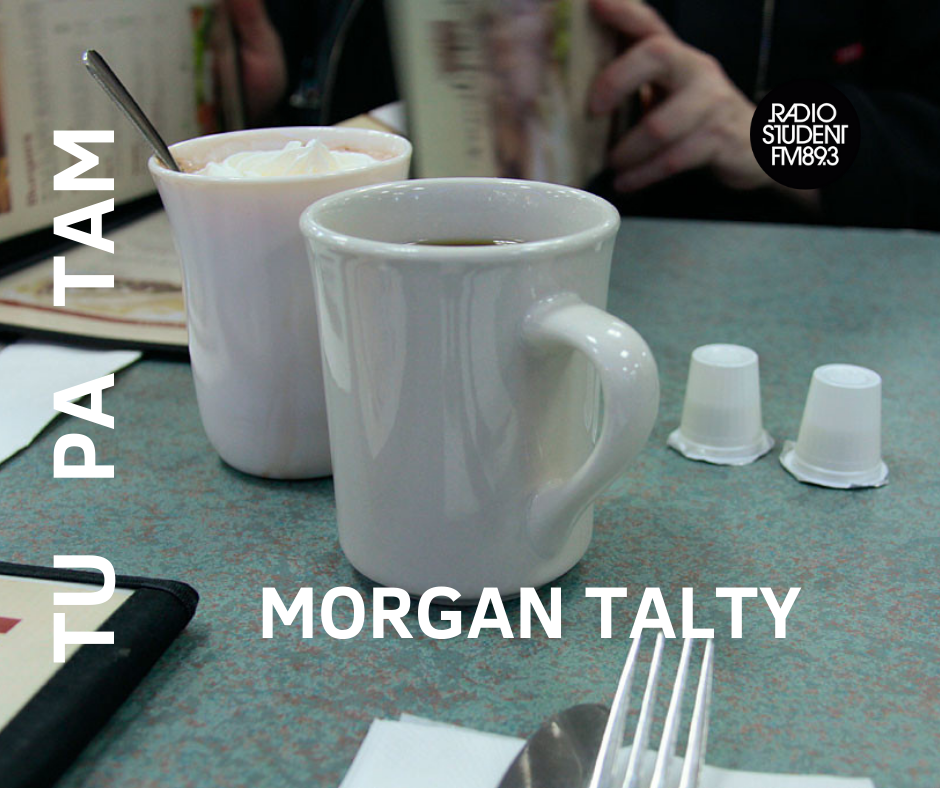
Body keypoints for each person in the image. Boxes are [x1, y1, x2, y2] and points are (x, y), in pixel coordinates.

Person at [227, 0, 940, 230]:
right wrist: (259, 107)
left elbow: (923, 133)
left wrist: (768, 135)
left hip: (734, 319)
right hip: (390, 293)